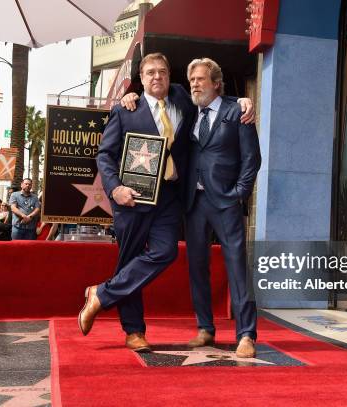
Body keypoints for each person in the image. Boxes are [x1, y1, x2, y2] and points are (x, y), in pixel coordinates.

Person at [79, 53, 255, 353]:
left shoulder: (182, 101)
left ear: (169, 76)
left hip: (172, 198)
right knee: (130, 259)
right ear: (141, 77)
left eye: (162, 71)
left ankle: (102, 293)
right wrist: (115, 188)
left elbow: (214, 97)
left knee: (166, 252)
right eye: (150, 73)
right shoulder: (126, 109)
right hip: (132, 199)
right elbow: (105, 155)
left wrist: (243, 100)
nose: (156, 77)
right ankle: (134, 331)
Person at [184, 58, 261, 358]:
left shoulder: (236, 111)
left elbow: (252, 158)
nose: (195, 84)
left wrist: (239, 193)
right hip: (194, 202)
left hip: (226, 201)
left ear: (216, 82)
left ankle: (246, 335)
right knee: (197, 267)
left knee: (237, 267)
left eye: (201, 79)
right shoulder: (188, 111)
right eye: (192, 80)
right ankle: (205, 328)